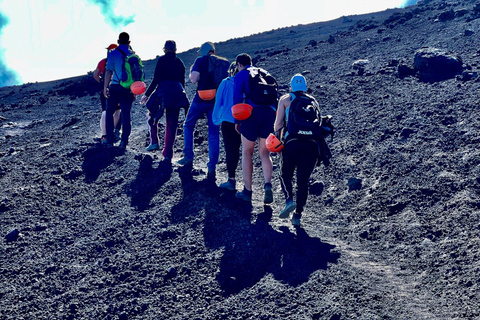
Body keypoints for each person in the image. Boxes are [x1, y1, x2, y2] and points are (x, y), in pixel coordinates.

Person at [274, 74, 321, 226]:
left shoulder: (285, 99)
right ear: (305, 86)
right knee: (303, 181)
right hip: (312, 145)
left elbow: (278, 124)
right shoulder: (313, 101)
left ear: (291, 86)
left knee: (285, 173)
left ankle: (289, 200)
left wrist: (278, 139)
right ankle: (297, 215)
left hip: (292, 142)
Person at [233, 53, 276, 204]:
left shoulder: (241, 75)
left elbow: (237, 99)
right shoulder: (264, 73)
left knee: (247, 152)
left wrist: (237, 121)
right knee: (264, 152)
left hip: (251, 114)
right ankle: (267, 185)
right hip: (269, 113)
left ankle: (247, 191)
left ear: (239, 64)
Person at [177, 41, 222, 178]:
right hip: (215, 100)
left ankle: (188, 156)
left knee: (188, 125)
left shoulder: (200, 60)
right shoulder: (221, 62)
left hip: (201, 98)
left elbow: (193, 79)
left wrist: (192, 71)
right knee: (214, 132)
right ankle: (212, 167)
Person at [140, 40, 189, 162]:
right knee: (171, 124)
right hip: (177, 93)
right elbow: (182, 83)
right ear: (175, 50)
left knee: (151, 115)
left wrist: (147, 94)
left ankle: (154, 141)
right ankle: (168, 154)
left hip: (162, 92)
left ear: (164, 49)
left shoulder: (162, 60)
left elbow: (156, 79)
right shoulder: (180, 63)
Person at [103, 32, 135, 149]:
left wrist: (105, 87)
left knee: (109, 112)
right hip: (128, 88)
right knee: (126, 114)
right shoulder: (133, 55)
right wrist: (134, 91)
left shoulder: (113, 53)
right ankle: (124, 142)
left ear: (118, 41)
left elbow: (108, 71)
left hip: (115, 86)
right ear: (129, 42)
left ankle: (110, 140)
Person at [212, 62, 241, 190]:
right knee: (237, 149)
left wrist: (216, 119)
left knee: (229, 149)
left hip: (228, 121)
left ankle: (231, 179)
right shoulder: (245, 83)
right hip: (242, 120)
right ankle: (242, 181)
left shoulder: (225, 82)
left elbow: (219, 101)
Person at [92, 44, 121, 143]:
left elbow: (95, 74)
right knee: (117, 111)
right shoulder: (120, 61)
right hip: (117, 88)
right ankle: (113, 132)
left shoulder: (103, 62)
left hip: (105, 90)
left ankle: (104, 135)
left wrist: (102, 82)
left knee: (105, 111)